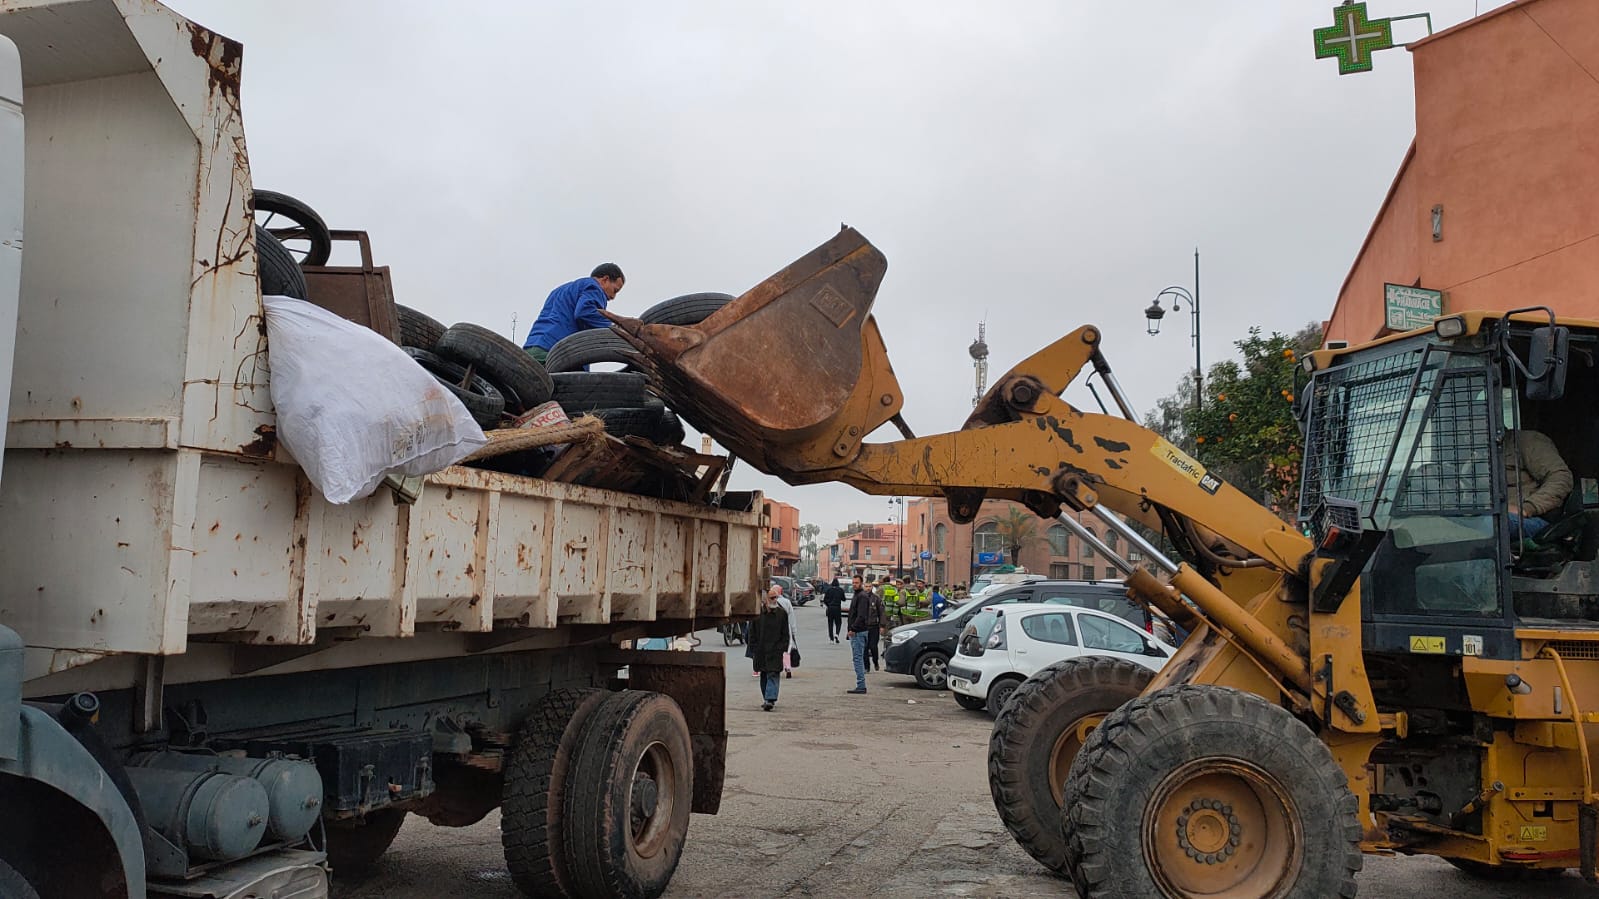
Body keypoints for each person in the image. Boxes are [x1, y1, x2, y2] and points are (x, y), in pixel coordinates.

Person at [522, 263, 625, 364]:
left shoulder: (559, 290)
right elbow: (585, 312)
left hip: (533, 348)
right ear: (605, 279)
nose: (613, 297)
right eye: (615, 290)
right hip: (556, 352)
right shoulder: (594, 287)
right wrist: (615, 328)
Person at [1505, 429, 1573, 540]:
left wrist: (1527, 508)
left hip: (1530, 519)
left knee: (1491, 523)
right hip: (1485, 518)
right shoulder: (1477, 453)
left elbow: (1561, 478)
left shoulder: (1526, 441)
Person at [747, 585, 790, 711]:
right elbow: (752, 633)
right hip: (761, 651)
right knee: (764, 675)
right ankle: (766, 697)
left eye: (776, 597)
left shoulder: (781, 613)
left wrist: (782, 647)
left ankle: (770, 699)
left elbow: (785, 633)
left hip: (775, 651)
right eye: (772, 598)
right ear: (765, 600)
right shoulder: (758, 614)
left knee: (773, 673)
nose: (775, 600)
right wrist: (753, 648)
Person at [845, 575, 876, 694]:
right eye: (853, 583)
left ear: (861, 583)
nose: (854, 585)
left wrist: (853, 628)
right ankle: (860, 684)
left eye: (856, 583)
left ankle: (861, 685)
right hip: (857, 631)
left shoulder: (862, 596)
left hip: (858, 632)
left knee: (858, 659)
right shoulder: (857, 595)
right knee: (858, 658)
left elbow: (861, 615)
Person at [773, 586, 798, 678]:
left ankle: (775, 667)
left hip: (774, 628)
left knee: (775, 648)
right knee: (787, 647)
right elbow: (791, 616)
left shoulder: (770, 602)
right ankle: (787, 667)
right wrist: (793, 630)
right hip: (786, 627)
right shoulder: (786, 602)